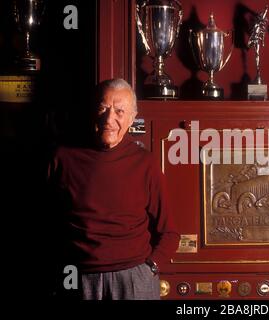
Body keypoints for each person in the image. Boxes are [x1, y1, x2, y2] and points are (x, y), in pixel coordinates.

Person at [47, 78, 179, 300]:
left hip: (134, 276)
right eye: (103, 108)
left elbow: (170, 232)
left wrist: (150, 268)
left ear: (131, 119)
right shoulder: (63, 158)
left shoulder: (145, 163)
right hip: (76, 275)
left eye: (119, 111)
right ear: (92, 111)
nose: (109, 119)